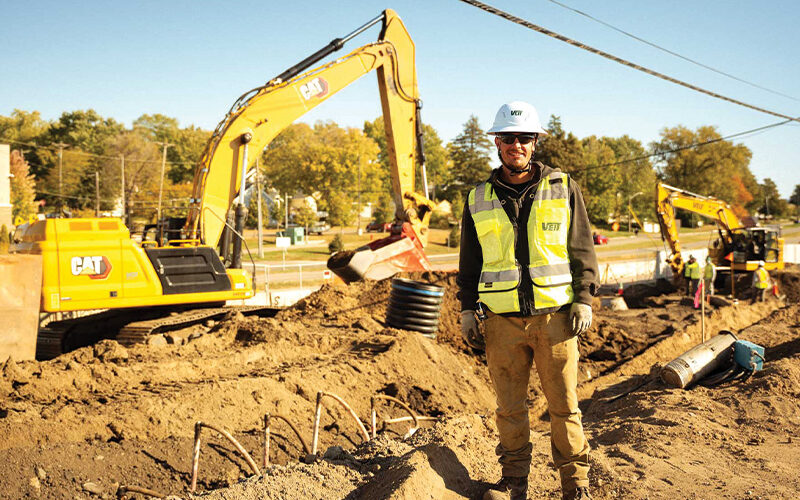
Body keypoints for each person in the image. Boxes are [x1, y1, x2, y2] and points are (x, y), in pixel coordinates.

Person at [457, 101, 598, 500]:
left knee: (565, 406)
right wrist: (468, 309)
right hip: (501, 321)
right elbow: (470, 261)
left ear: (534, 143)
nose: (515, 145)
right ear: (497, 144)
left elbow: (582, 249)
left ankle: (576, 485)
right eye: (507, 139)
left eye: (523, 138)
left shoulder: (562, 188)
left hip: (555, 319)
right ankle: (515, 482)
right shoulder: (478, 198)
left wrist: (584, 298)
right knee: (510, 409)